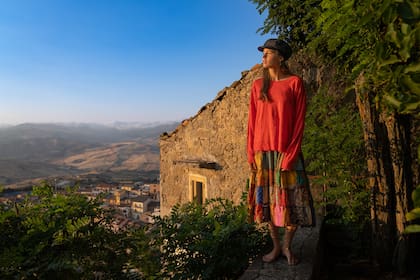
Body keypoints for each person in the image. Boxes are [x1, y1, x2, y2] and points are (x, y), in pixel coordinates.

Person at [247, 38, 315, 265]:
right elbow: (252, 123)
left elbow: (299, 122)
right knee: (266, 204)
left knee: (292, 204)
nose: (263, 57)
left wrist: (292, 154)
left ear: (281, 57)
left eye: (268, 53)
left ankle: (287, 247)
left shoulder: (295, 83)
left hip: (286, 153)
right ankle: (276, 246)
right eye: (263, 53)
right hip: (262, 153)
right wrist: (251, 152)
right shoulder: (258, 85)